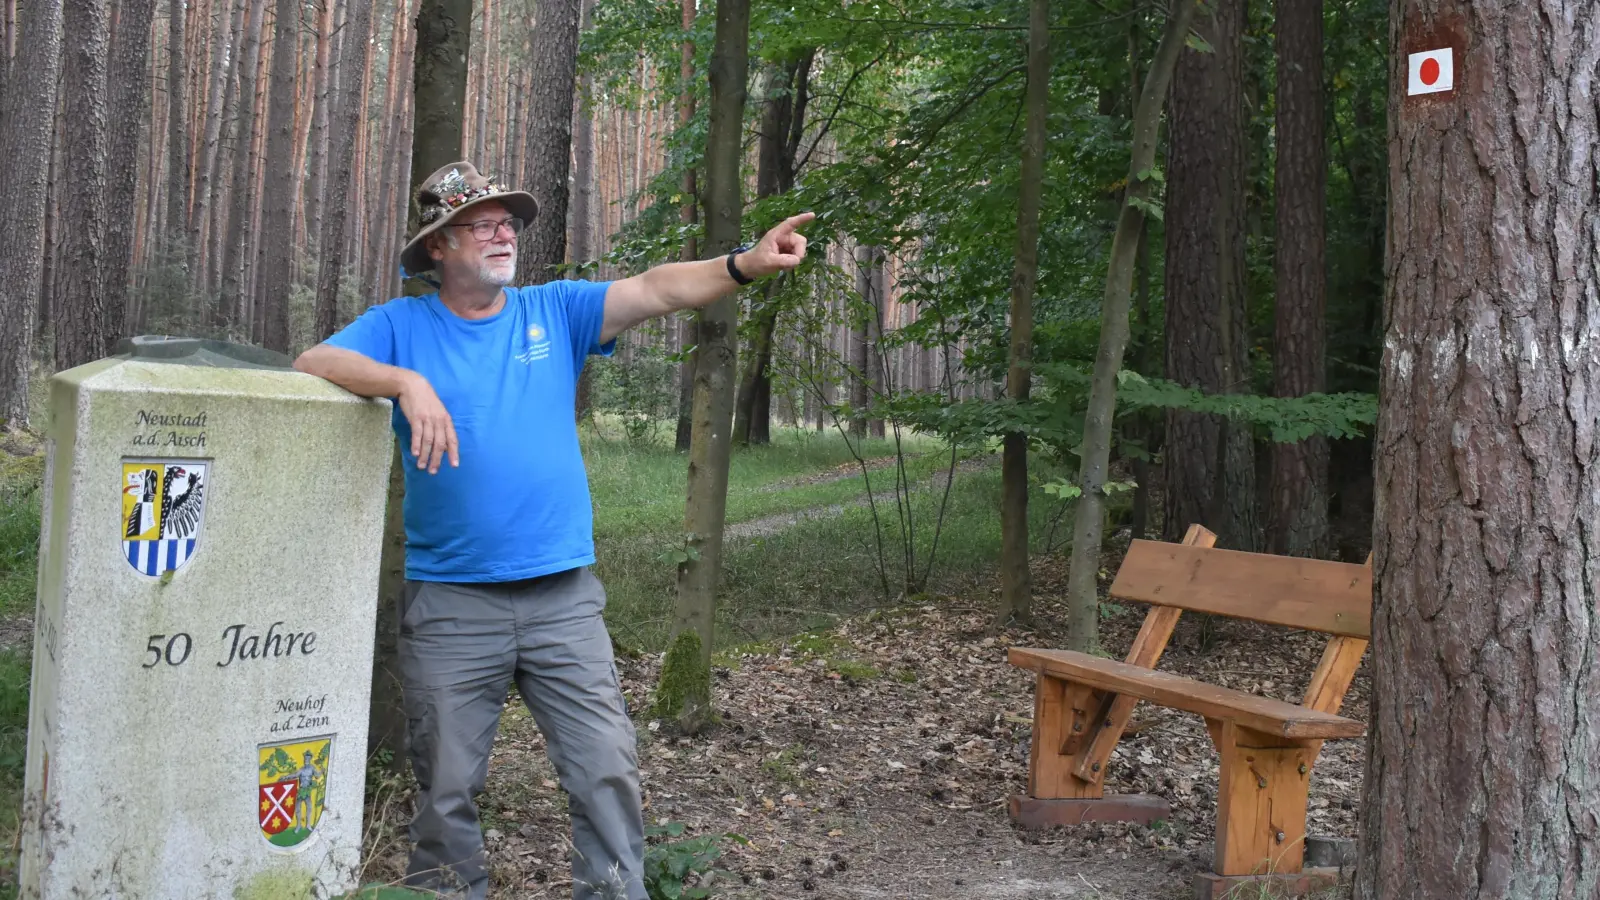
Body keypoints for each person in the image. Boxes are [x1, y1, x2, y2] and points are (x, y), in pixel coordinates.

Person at [293, 161, 811, 900]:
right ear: (439, 246)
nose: (504, 234)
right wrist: (408, 381)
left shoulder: (553, 312)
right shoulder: (401, 326)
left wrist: (744, 265)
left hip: (562, 600)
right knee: (444, 791)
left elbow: (659, 289)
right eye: (483, 224)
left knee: (605, 769)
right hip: (450, 604)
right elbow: (314, 360)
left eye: (508, 222)